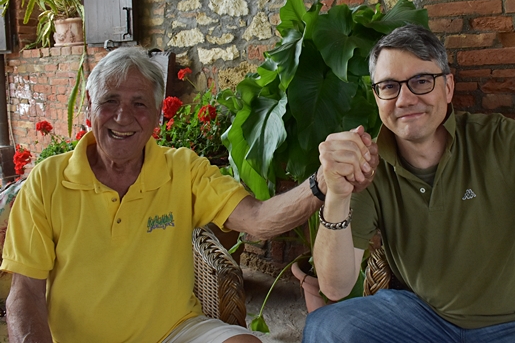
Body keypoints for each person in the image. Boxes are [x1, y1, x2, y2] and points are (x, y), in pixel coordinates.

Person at [0, 46, 378, 343]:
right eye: (110, 101)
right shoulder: (48, 180)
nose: (122, 117)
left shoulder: (182, 168)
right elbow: (25, 294)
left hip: (175, 332)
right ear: (88, 106)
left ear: (157, 117)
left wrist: (321, 183)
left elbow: (259, 220)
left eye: (139, 104)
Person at [303, 24, 515, 342]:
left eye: (421, 81)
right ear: (378, 97)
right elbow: (335, 287)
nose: (404, 99)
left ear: (447, 87)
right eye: (389, 86)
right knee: (327, 327)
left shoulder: (498, 140)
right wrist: (337, 194)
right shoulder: (368, 167)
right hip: (420, 317)